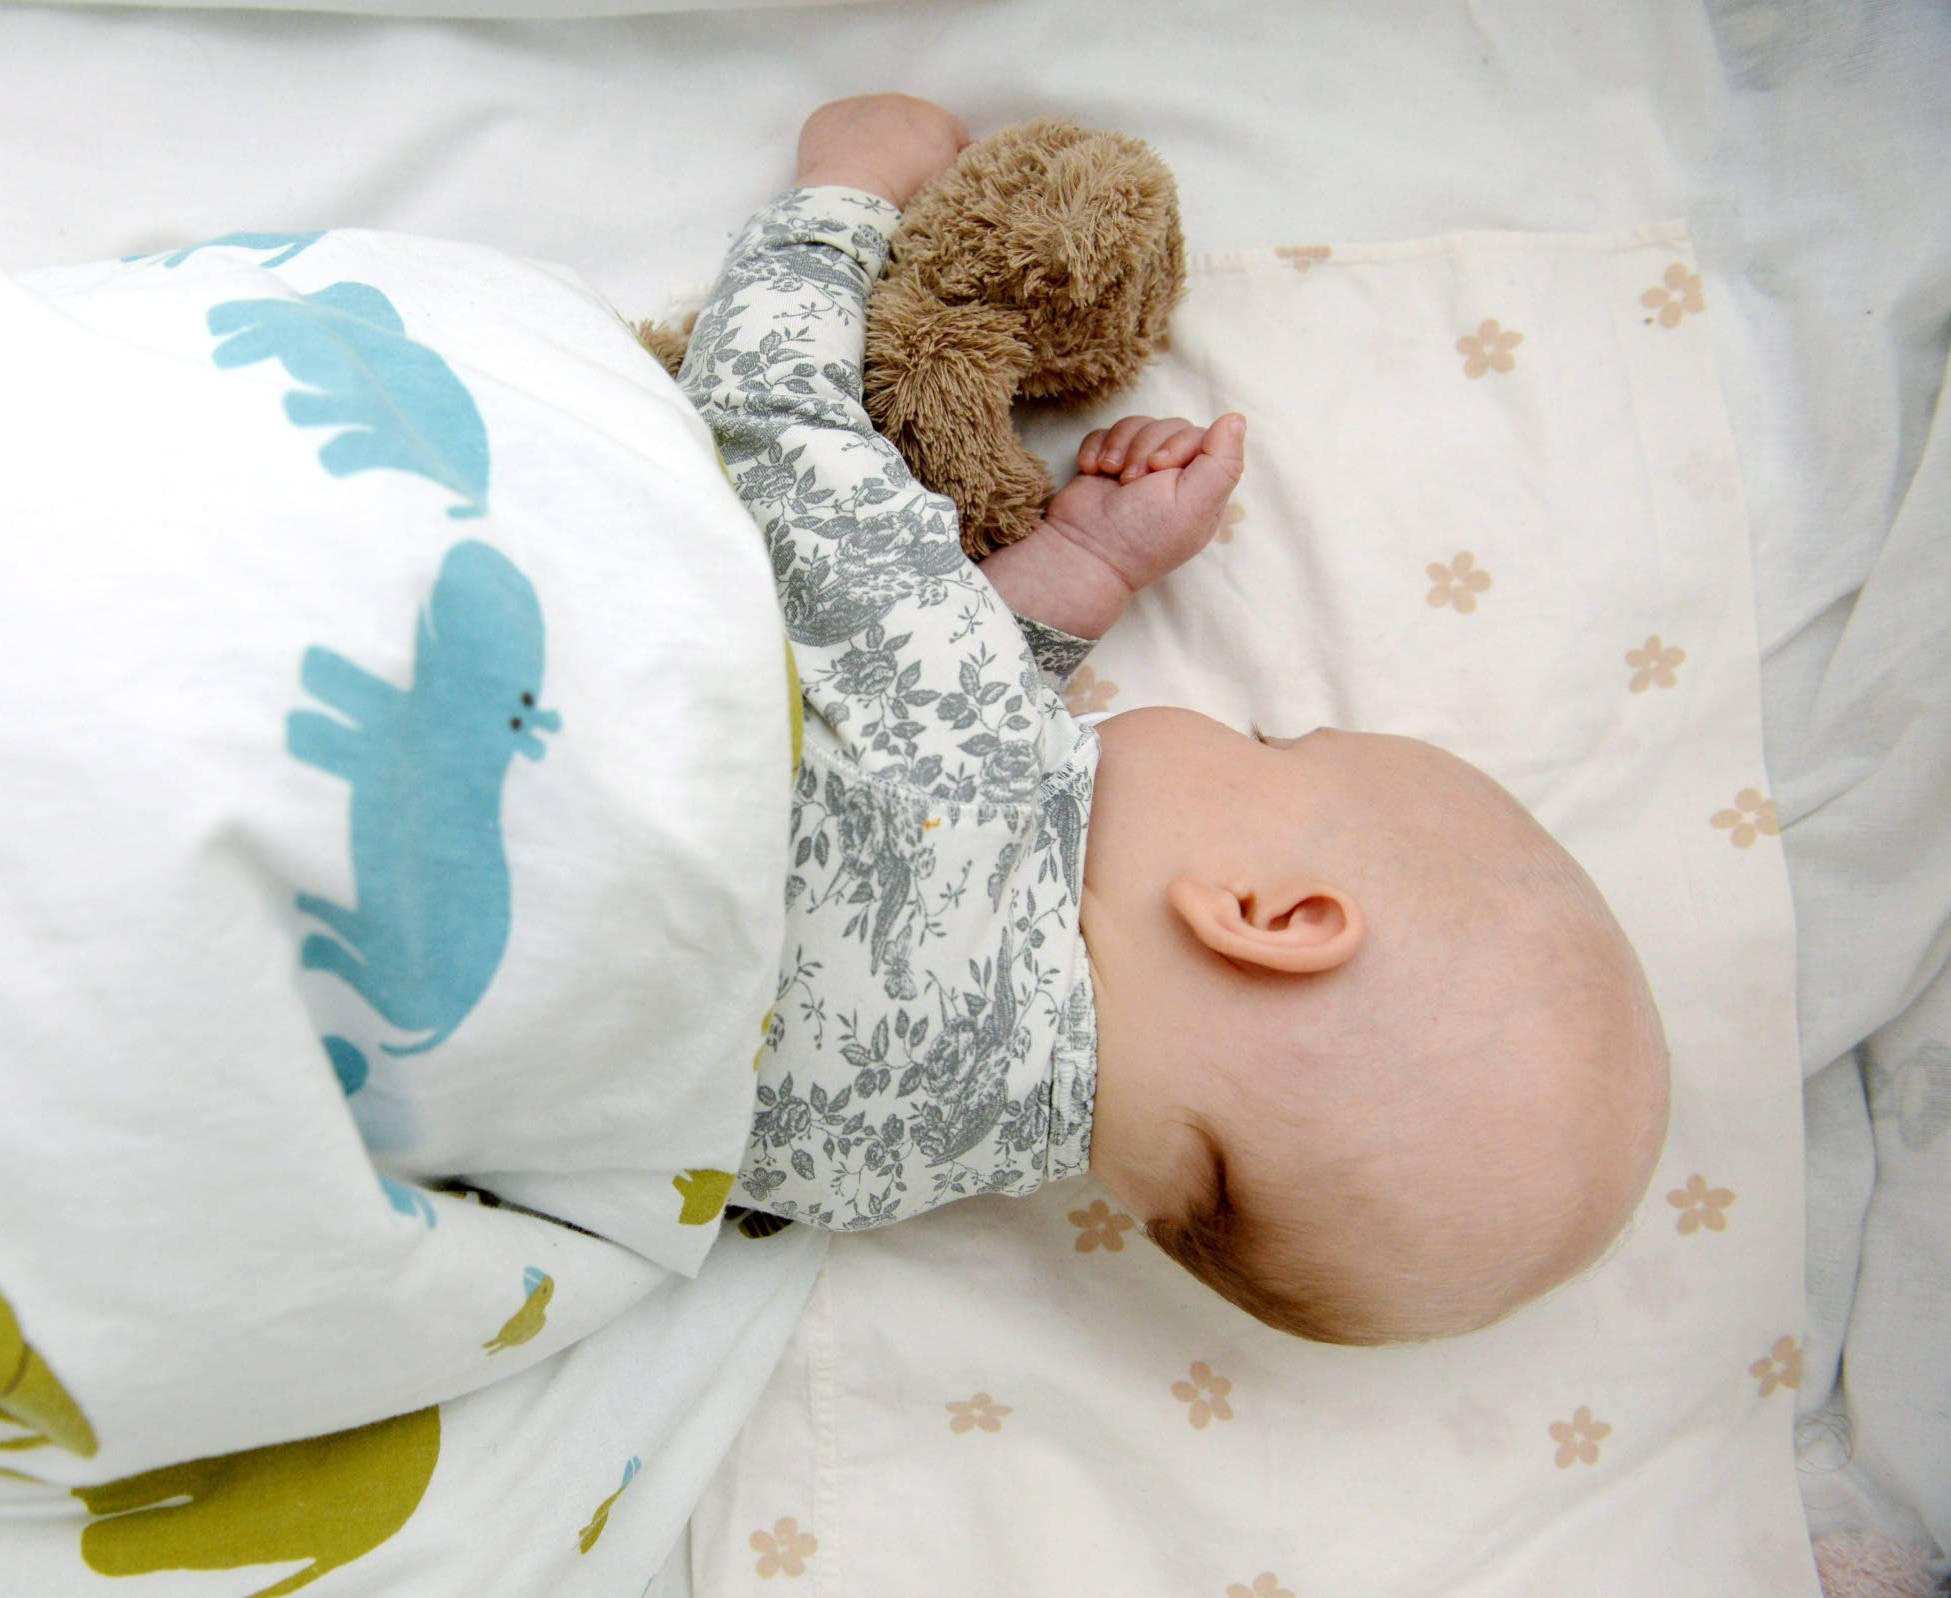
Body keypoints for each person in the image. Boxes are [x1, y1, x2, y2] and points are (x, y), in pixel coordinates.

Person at [695, 93, 1672, 1347]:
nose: (1240, 724)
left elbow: (766, 431)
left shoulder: (974, 766)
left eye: (1273, 746)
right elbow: (889, 738)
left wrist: (846, 196)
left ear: (1266, 917)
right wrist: (1086, 562)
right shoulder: (873, 1176)